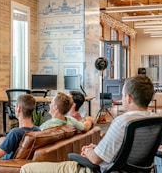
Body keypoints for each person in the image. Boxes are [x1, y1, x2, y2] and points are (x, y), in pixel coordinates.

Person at [20, 74, 156, 173]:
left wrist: (89, 150)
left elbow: (96, 159)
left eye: (122, 95)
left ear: (129, 98)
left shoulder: (123, 122)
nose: (121, 98)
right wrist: (98, 148)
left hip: (94, 170)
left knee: (27, 168)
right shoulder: (154, 120)